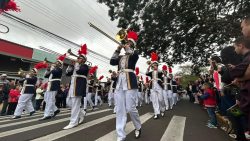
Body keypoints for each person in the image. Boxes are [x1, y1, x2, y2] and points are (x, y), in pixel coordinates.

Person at [110, 30, 142, 141]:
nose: (126, 43)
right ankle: (121, 135)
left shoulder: (135, 55)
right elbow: (112, 61)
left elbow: (132, 53)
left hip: (130, 82)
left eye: (129, 42)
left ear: (132, 45)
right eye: (126, 42)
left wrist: (127, 46)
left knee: (130, 108)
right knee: (120, 109)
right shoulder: (120, 57)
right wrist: (118, 49)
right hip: (119, 83)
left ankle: (138, 127)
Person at [63, 44, 89, 130]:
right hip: (72, 87)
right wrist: (70, 65)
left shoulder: (85, 67)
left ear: (84, 60)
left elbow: (79, 71)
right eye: (78, 57)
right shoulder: (76, 66)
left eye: (80, 58)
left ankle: (73, 122)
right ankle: (82, 112)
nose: (78, 58)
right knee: (68, 102)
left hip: (78, 87)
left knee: (75, 105)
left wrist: (76, 64)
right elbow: (67, 73)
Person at [229, 36, 250, 139]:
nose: (234, 49)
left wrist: (234, 70)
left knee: (234, 114)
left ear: (241, 46)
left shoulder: (248, 57)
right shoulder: (245, 58)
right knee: (233, 113)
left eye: (235, 47)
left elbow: (236, 72)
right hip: (244, 97)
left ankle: (242, 136)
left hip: (247, 99)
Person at [146, 52, 165, 119]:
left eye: (155, 65)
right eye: (153, 65)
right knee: (154, 100)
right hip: (152, 86)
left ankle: (162, 109)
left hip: (159, 86)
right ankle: (156, 113)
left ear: (157, 65)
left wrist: (155, 64)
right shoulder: (151, 72)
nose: (154, 66)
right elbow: (146, 73)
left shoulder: (159, 72)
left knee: (161, 99)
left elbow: (162, 72)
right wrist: (149, 65)